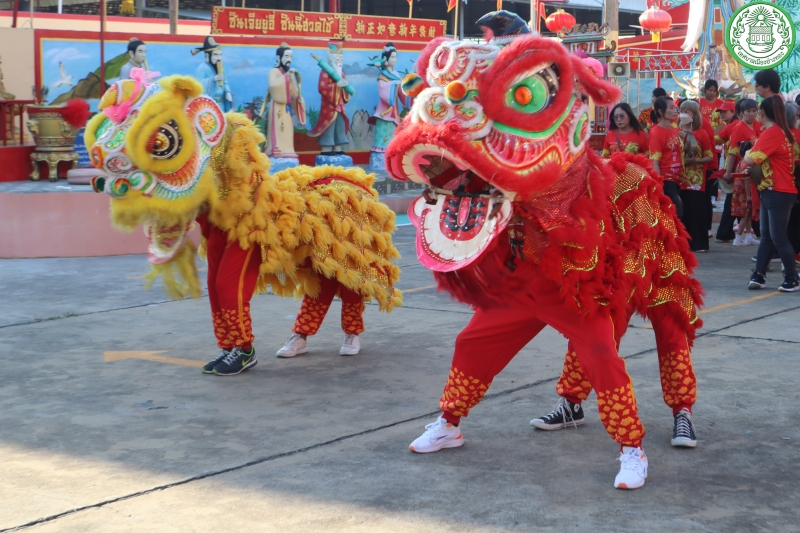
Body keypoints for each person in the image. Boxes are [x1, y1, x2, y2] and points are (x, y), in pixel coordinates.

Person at [746, 96, 799, 291]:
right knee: (768, 236)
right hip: (775, 190)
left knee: (778, 237)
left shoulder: (773, 133)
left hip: (778, 190)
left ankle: (792, 278)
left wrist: (746, 153)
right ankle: (759, 275)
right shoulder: (783, 132)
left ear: (762, 113)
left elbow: (751, 160)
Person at [679, 101, 714, 252]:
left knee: (696, 212)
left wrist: (695, 161)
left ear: (694, 115)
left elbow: (709, 156)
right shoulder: (675, 132)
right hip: (679, 178)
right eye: (682, 111)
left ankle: (699, 244)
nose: (684, 114)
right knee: (683, 212)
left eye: (688, 111)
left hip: (696, 180)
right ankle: (684, 244)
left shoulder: (701, 133)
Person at [368, 43, 411, 167]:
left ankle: (391, 154)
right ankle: (379, 157)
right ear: (385, 59)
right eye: (392, 57)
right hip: (384, 111)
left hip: (394, 111)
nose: (394, 59)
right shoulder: (382, 74)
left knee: (393, 134)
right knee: (382, 133)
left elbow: (401, 93)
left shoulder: (396, 75)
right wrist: (393, 84)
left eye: (395, 57)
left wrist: (408, 90)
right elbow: (382, 90)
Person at [725, 99, 761, 246]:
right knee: (747, 204)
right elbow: (733, 152)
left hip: (750, 168)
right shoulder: (739, 128)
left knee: (749, 205)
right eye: (748, 111)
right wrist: (728, 172)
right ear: (741, 113)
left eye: (754, 111)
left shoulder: (754, 125)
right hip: (744, 169)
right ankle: (739, 238)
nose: (752, 114)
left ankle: (748, 236)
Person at [307, 42, 351, 155]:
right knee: (329, 125)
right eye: (337, 59)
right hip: (329, 105)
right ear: (331, 59)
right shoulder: (325, 72)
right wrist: (337, 85)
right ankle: (326, 147)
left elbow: (346, 87)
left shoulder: (341, 74)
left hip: (340, 105)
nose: (340, 62)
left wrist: (345, 86)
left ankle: (338, 147)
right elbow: (322, 88)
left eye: (341, 59)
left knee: (340, 124)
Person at [262, 43, 302, 160]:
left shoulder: (288, 73)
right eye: (286, 56)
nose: (289, 60)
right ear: (279, 58)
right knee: (278, 129)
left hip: (287, 108)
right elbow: (273, 86)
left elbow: (294, 92)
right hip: (277, 106)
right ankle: (276, 151)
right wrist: (286, 77)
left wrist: (298, 97)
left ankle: (288, 150)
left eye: (291, 57)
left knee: (287, 130)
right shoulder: (273, 72)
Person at [650, 96, 684, 216]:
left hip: (678, 179)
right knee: (676, 215)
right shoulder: (656, 132)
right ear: (660, 111)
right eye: (671, 108)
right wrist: (659, 187)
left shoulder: (674, 129)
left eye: (675, 107)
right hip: (667, 180)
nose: (675, 110)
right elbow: (655, 162)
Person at [714, 99, 741, 242]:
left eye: (725, 111)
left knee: (734, 201)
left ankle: (726, 233)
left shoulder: (734, 126)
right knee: (737, 201)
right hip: (738, 168)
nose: (722, 114)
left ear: (733, 112)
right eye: (721, 112)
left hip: (737, 169)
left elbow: (718, 141)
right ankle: (727, 233)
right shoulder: (730, 126)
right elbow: (718, 140)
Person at [192, 36, 233, 112]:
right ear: (208, 56)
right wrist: (213, 79)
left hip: (221, 104)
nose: (219, 58)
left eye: (220, 55)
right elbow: (198, 84)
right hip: (208, 106)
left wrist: (227, 92)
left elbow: (225, 82)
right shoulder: (202, 67)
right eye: (216, 55)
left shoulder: (221, 68)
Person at [784, 102, 800, 257]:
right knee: (795, 218)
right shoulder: (797, 135)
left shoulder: (776, 133)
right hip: (796, 181)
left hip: (780, 182)